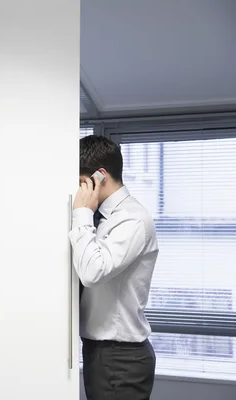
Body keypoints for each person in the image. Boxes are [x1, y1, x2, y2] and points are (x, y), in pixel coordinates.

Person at [69, 135, 159, 400]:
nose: (77, 189)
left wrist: (83, 214)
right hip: (102, 353)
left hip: (121, 358)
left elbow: (92, 272)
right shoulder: (106, 216)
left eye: (80, 181)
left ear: (99, 176)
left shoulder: (132, 220)